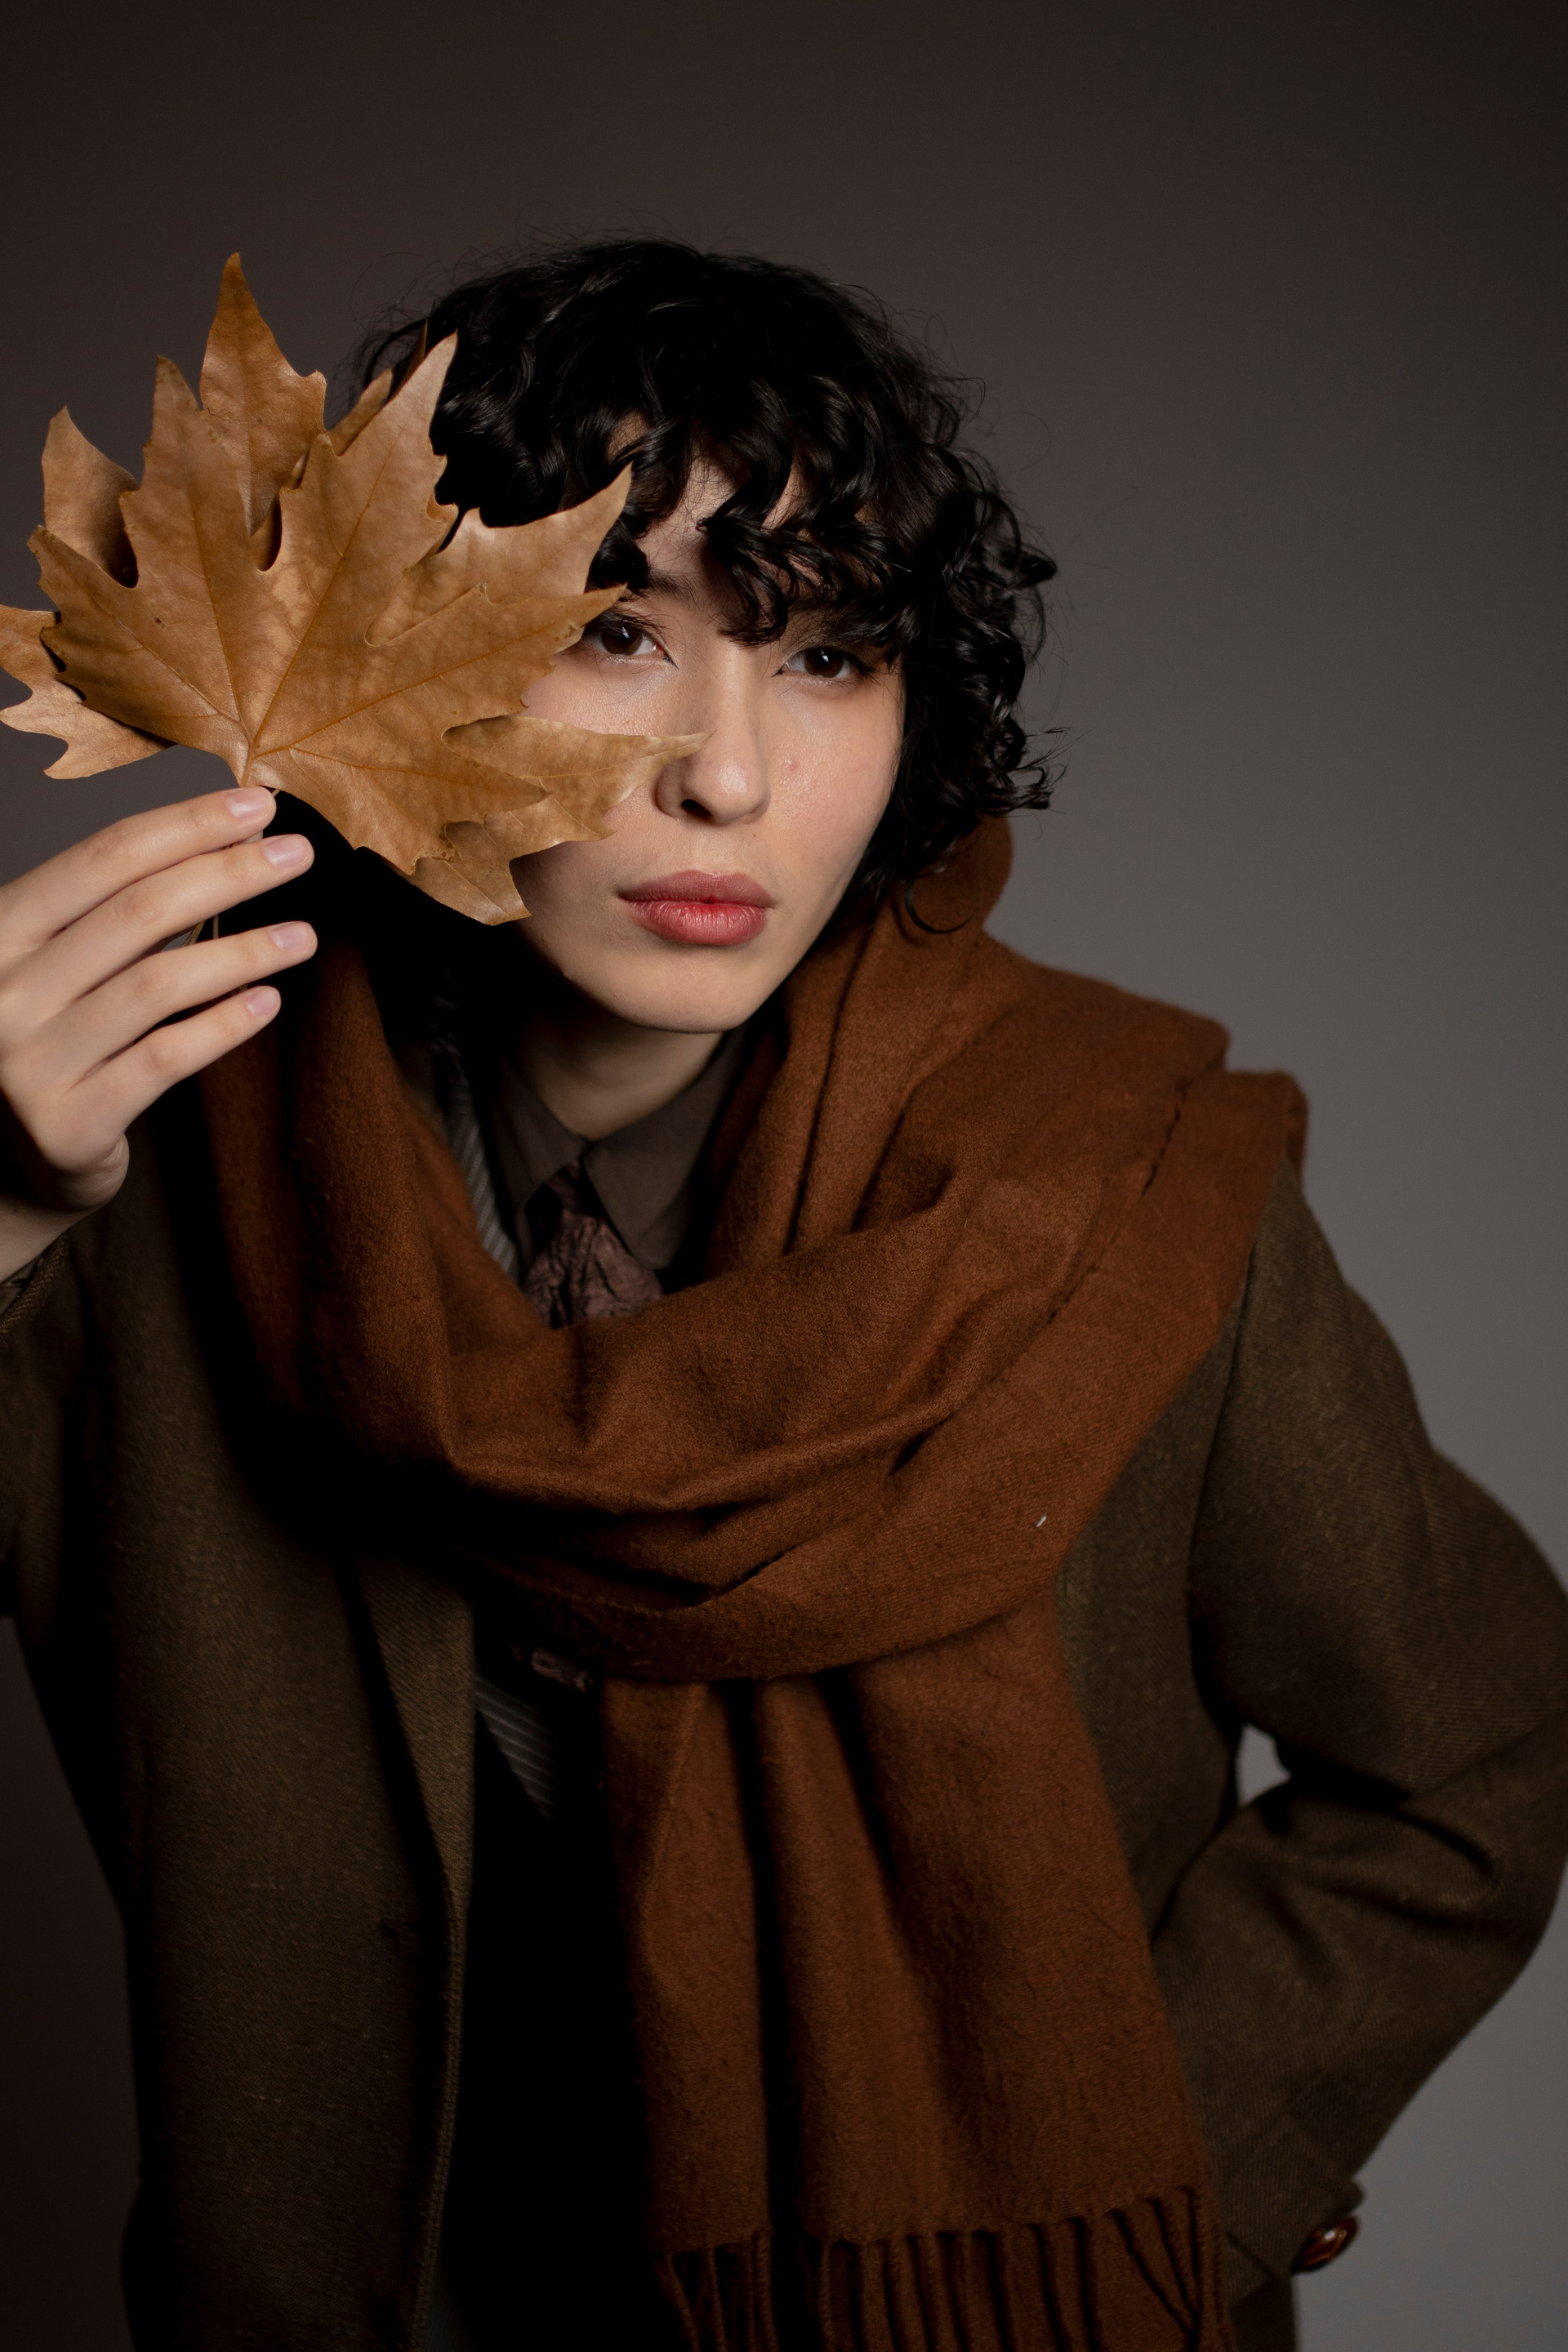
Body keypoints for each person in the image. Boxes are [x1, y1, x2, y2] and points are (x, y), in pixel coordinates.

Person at [0, 240, 1564, 2352]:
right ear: (400, 661)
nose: (725, 776)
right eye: (614, 632)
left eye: (826, 653)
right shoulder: (151, 1181)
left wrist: (1130, 2202)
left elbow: (1482, 1749)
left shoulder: (1108, 1188)